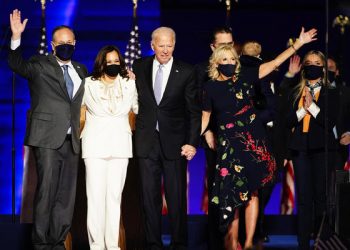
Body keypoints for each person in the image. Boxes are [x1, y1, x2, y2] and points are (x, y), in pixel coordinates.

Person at [201, 27, 317, 249]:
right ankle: (232, 241)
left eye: (233, 58)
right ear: (216, 62)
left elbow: (274, 64)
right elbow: (205, 118)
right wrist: (190, 140)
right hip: (229, 145)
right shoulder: (210, 87)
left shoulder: (246, 76)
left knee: (253, 192)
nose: (230, 62)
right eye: (224, 59)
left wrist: (299, 43)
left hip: (253, 142)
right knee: (233, 195)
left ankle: (247, 242)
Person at [8, 9, 88, 250]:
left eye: (69, 42)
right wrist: (15, 38)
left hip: (72, 139)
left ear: (74, 43)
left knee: (67, 196)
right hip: (47, 139)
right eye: (61, 42)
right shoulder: (39, 64)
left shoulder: (81, 70)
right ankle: (41, 243)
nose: (65, 45)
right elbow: (16, 64)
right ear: (53, 45)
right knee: (47, 191)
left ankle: (58, 241)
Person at [132, 26, 201, 250]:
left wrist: (192, 142)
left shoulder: (187, 71)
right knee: (148, 198)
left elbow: (193, 111)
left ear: (174, 45)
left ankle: (179, 243)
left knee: (176, 197)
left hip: (175, 143)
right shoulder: (139, 66)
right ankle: (153, 243)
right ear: (152, 45)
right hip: (146, 142)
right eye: (160, 45)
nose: (165, 50)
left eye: (169, 45)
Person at [80, 45, 138, 250]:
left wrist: (134, 81)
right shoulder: (88, 84)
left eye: (116, 61)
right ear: (101, 63)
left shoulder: (129, 83)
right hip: (95, 146)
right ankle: (96, 245)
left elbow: (138, 108)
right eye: (109, 61)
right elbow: (77, 111)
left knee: (114, 198)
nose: (113, 65)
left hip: (121, 146)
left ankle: (112, 245)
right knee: (95, 198)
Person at [286, 50, 341, 249]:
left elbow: (330, 121)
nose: (312, 66)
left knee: (321, 198)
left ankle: (321, 242)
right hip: (300, 149)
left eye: (316, 63)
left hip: (322, 150)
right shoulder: (295, 91)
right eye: (308, 62)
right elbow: (288, 120)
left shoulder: (332, 92)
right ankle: (303, 244)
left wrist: (313, 107)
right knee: (304, 199)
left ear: (323, 68)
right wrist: (303, 109)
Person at [195, 26, 234, 250]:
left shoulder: (240, 70)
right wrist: (207, 131)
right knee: (217, 191)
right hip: (214, 140)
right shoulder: (201, 72)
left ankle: (237, 239)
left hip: (239, 141)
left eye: (230, 43)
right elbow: (198, 107)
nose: (226, 48)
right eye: (221, 45)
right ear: (212, 47)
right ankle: (215, 242)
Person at [240, 40, 277, 244]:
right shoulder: (243, 71)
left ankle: (251, 234)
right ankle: (249, 235)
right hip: (246, 137)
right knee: (253, 185)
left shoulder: (263, 71)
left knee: (256, 185)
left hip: (255, 135)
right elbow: (271, 106)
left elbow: (271, 105)